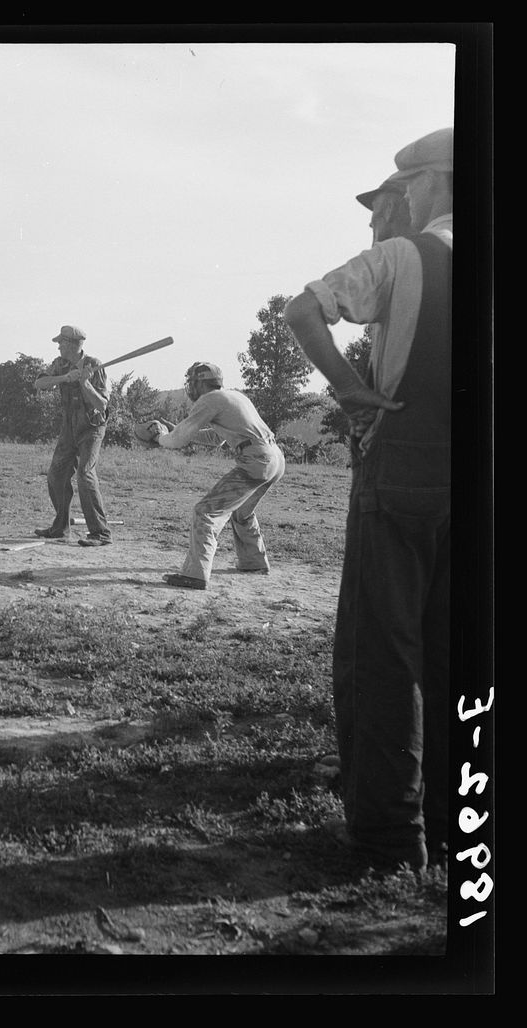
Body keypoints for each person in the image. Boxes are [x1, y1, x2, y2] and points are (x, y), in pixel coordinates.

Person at [283, 127, 453, 872]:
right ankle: (461, 825)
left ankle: (388, 839)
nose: (402, 201)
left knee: (382, 653)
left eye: (408, 187)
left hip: (408, 469)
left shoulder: (407, 255)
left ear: (434, 182)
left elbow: (303, 309)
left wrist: (349, 386)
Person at [144, 362, 285, 589]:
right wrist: (180, 431)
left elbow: (177, 441)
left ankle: (195, 575)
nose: (191, 387)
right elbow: (216, 439)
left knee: (205, 511)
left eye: (192, 382)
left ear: (200, 383)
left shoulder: (208, 400)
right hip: (275, 458)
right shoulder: (233, 396)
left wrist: (160, 437)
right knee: (242, 511)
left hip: (256, 460)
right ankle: (253, 562)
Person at [33, 325, 113, 547]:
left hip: (91, 427)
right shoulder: (59, 364)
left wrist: (84, 382)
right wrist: (66, 377)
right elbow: (39, 383)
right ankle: (60, 528)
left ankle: (100, 533)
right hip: (69, 426)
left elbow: (102, 404)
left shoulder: (94, 366)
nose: (58, 346)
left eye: (61, 342)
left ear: (72, 344)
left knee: (85, 475)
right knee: (56, 475)